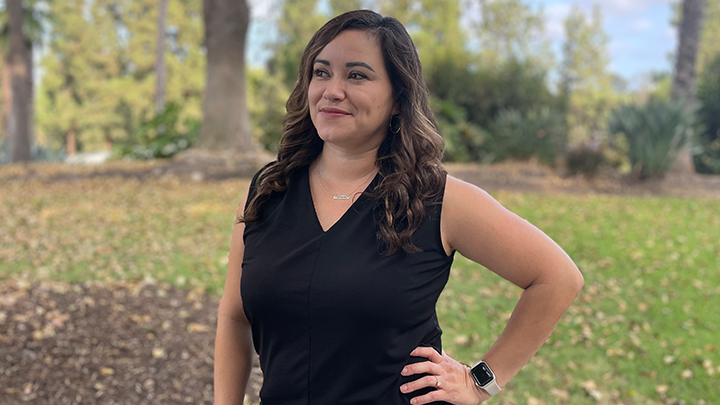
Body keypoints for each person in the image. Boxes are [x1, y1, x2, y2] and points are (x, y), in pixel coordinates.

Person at [214, 9, 583, 405]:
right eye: (322, 72)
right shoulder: (267, 193)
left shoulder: (439, 201)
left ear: (397, 99)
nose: (332, 90)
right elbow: (235, 318)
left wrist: (481, 382)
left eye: (357, 75)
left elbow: (557, 277)